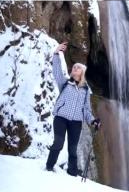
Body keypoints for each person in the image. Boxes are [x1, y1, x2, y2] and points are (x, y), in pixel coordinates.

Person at [45, 41, 101, 176]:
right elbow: (57, 71)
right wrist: (56, 53)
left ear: (82, 72)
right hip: (61, 118)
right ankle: (48, 167)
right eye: (74, 67)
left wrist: (93, 121)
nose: (74, 68)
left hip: (76, 122)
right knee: (58, 142)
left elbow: (86, 110)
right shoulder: (64, 83)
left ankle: (72, 173)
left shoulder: (86, 90)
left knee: (73, 149)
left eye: (78, 67)